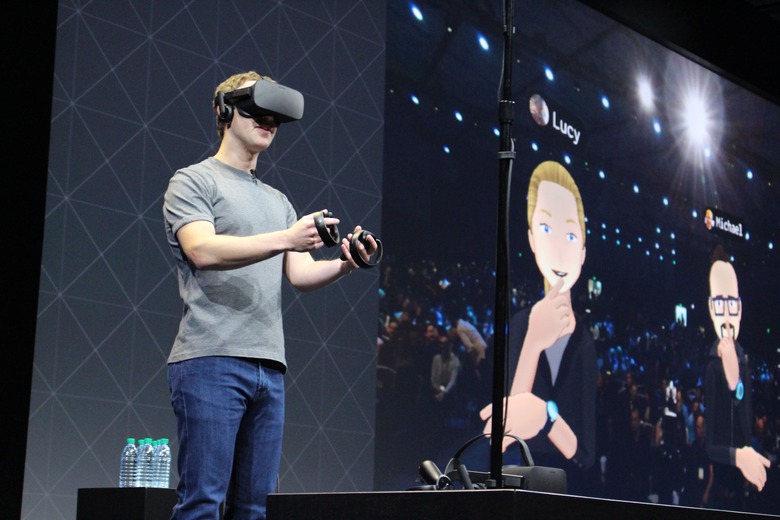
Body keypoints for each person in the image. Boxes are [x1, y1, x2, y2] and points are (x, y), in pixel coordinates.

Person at [162, 71, 377, 519]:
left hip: (269, 368)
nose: (268, 122)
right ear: (224, 112)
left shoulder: (279, 202)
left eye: (275, 116)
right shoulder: (195, 181)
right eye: (256, 111)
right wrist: (285, 238)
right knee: (202, 502)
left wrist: (346, 263)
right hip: (211, 359)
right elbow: (201, 250)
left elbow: (299, 275)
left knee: (255, 510)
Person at [480, 160, 597, 492]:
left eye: (571, 235)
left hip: (569, 495)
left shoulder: (584, 342)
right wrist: (532, 342)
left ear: (583, 252)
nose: (560, 249)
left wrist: (546, 416)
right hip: (516, 489)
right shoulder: (520, 325)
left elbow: (585, 454)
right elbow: (501, 440)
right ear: (531, 237)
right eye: (546, 229)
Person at [704, 248, 769, 508]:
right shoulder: (711, 366)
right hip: (721, 485)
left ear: (740, 308)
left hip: (742, 490)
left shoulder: (743, 361)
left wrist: (736, 384)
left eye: (732, 304)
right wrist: (738, 457)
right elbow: (710, 446)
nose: (728, 315)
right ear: (711, 307)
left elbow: (744, 420)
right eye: (720, 304)